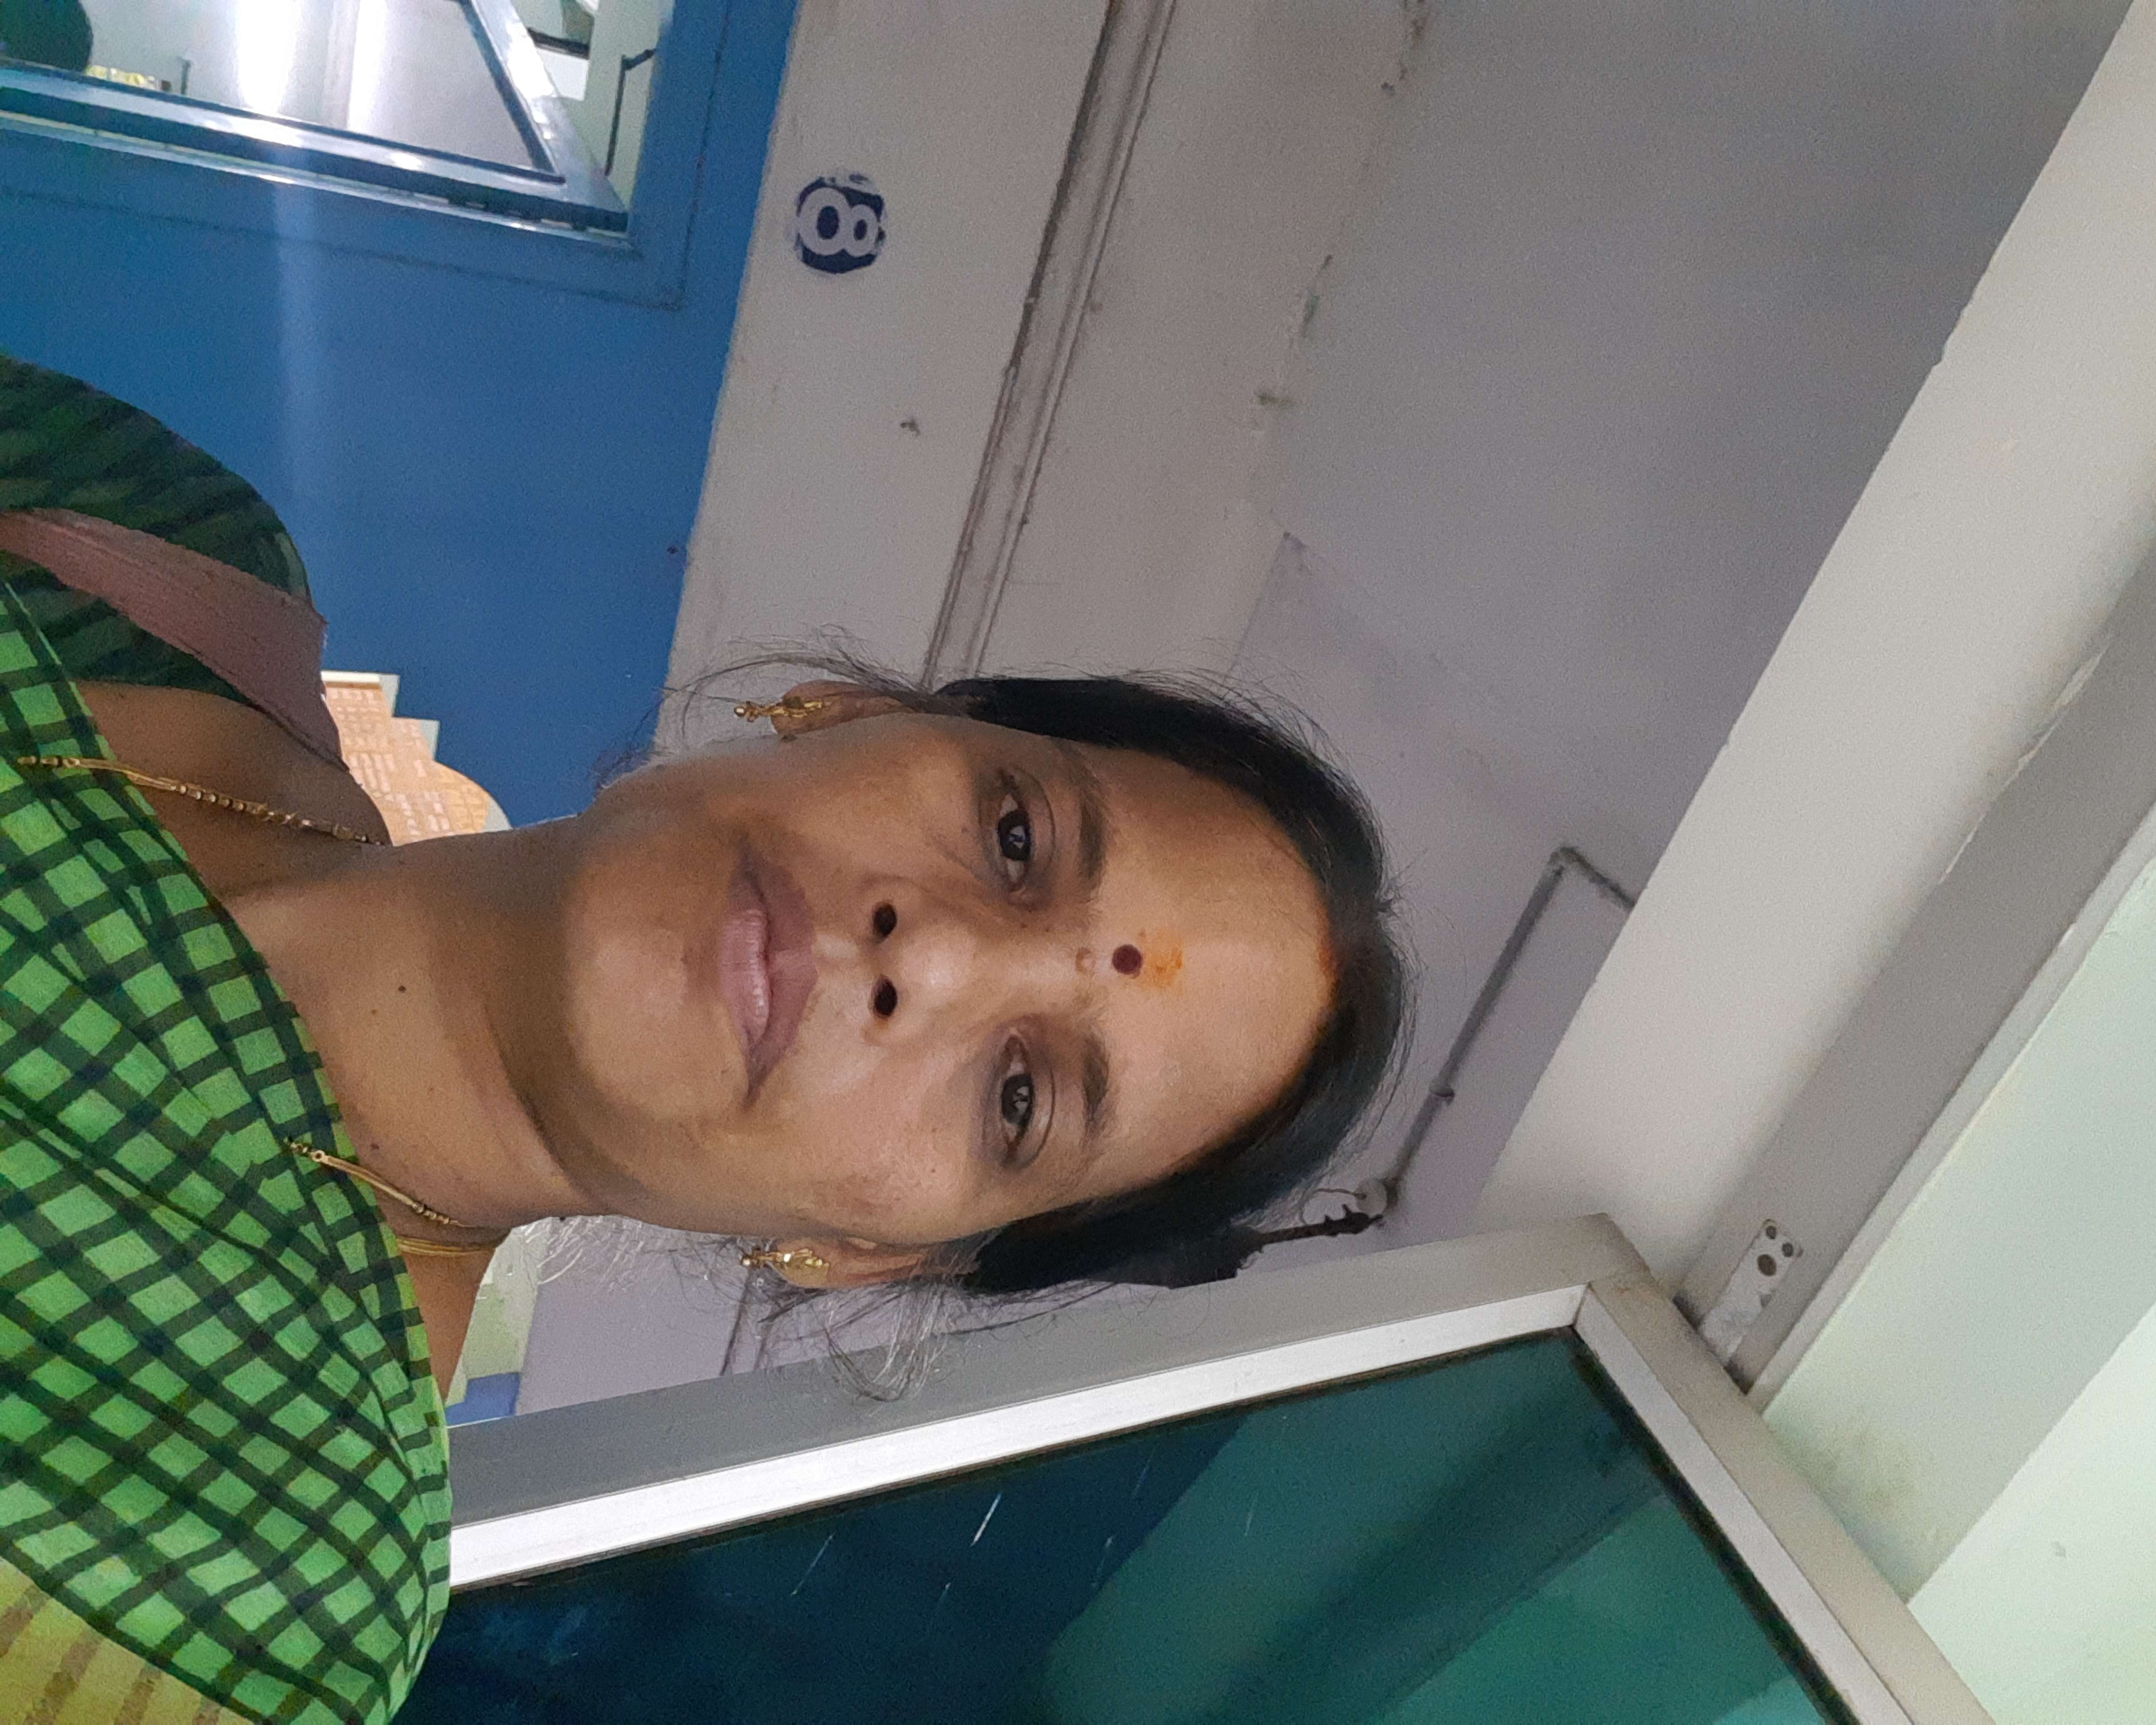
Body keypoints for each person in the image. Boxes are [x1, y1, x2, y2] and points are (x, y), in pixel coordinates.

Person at [0, 351, 1408, 1725]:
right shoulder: (135, 536)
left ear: (867, 1253)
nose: (933, 956)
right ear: (848, 716)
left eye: (1022, 1098)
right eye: (1017, 837)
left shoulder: (247, 1570)